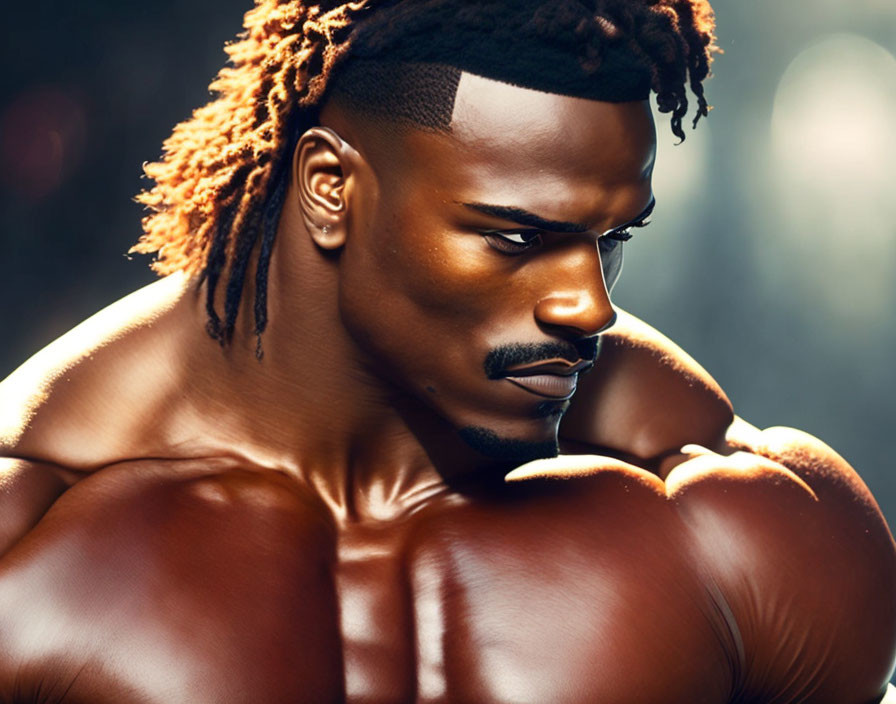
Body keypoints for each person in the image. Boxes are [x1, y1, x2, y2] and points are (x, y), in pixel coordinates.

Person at [0, 0, 893, 701]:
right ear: (328, 189)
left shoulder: (738, 514)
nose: (590, 305)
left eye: (609, 238)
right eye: (516, 237)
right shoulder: (34, 525)